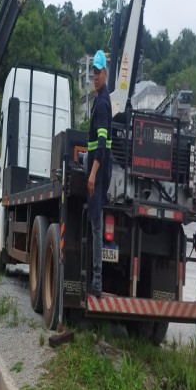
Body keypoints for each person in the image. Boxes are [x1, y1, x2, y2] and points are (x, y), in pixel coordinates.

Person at [87, 49, 112, 298]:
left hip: (100, 167)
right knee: (94, 220)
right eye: (93, 71)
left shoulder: (103, 102)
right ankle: (94, 280)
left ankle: (96, 284)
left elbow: (102, 144)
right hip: (97, 165)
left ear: (106, 73)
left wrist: (93, 173)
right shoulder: (99, 99)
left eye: (99, 72)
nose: (95, 76)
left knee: (96, 224)